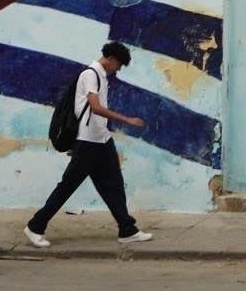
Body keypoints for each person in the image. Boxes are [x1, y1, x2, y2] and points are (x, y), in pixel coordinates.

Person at [24, 41, 152, 247]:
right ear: (110, 59)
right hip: (88, 142)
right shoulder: (90, 74)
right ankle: (35, 227)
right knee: (67, 186)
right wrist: (127, 120)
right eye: (118, 65)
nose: (118, 69)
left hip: (102, 139)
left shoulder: (101, 76)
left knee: (114, 186)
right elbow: (95, 107)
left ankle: (127, 229)